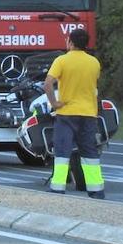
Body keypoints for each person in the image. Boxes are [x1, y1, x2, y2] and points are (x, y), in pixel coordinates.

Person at [44, 28, 105, 198]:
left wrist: (54, 103)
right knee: (89, 152)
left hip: (67, 113)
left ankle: (58, 188)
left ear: (70, 42)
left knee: (63, 151)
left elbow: (48, 84)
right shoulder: (94, 63)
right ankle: (96, 190)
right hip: (89, 113)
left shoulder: (62, 60)